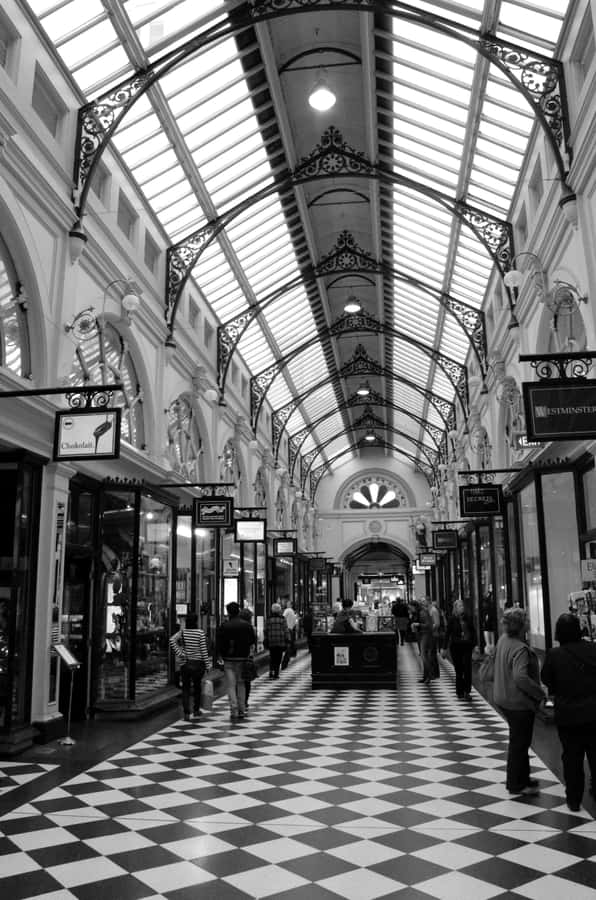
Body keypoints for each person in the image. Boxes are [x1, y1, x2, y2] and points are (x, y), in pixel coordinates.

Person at [541, 612, 596, 812]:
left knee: (571, 758)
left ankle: (573, 799)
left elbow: (546, 679)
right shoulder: (593, 649)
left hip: (568, 714)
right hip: (593, 712)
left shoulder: (554, 655)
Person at [493, 607, 545, 797]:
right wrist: (540, 693)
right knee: (519, 743)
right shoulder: (520, 649)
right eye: (527, 621)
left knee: (519, 740)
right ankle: (516, 784)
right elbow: (520, 677)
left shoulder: (503, 640)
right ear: (521, 625)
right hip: (517, 702)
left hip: (502, 697)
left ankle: (523, 777)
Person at [216, 601, 256, 721]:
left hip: (228, 659)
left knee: (231, 685)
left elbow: (219, 643)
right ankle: (241, 709)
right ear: (238, 610)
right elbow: (252, 640)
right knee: (241, 684)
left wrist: (221, 655)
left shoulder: (224, 626)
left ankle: (233, 710)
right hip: (242, 658)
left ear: (228, 612)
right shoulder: (246, 625)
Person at [169, 612, 209, 721]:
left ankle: (186, 711)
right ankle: (196, 710)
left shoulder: (183, 632)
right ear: (196, 621)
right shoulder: (200, 633)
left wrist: (180, 653)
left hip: (186, 664)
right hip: (198, 664)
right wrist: (208, 664)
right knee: (197, 687)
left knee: (185, 688)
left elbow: (172, 640)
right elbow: (203, 650)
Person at [443, 599, 476, 699]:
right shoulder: (452, 619)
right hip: (456, 647)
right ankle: (459, 691)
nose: (462, 607)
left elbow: (473, 631)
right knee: (459, 669)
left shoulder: (468, 618)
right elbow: (448, 633)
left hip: (467, 646)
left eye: (462, 605)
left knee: (467, 668)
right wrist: (444, 648)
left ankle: (467, 691)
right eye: (460, 606)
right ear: (456, 608)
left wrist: (475, 644)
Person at [264, 602, 290, 678]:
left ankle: (271, 671)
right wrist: (288, 639)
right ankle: (276, 673)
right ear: (279, 610)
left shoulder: (269, 619)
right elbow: (286, 630)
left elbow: (265, 630)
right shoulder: (282, 619)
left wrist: (267, 637)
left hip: (271, 641)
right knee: (278, 657)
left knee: (272, 656)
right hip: (280, 641)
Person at [238, 607, 257, 707]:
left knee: (238, 680)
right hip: (248, 657)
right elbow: (253, 642)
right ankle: (244, 701)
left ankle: (239, 700)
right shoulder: (251, 628)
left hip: (237, 656)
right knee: (247, 680)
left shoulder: (237, 627)